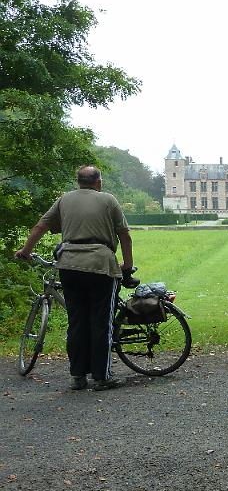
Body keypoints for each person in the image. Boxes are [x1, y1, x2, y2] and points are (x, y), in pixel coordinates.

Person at [15, 166, 134, 391]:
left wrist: (26, 251)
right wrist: (127, 267)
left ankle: (78, 376)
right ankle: (101, 377)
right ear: (98, 183)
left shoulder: (64, 200)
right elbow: (124, 236)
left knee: (76, 322)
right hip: (100, 265)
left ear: (78, 182)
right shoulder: (108, 200)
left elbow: (42, 225)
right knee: (101, 322)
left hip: (69, 265)